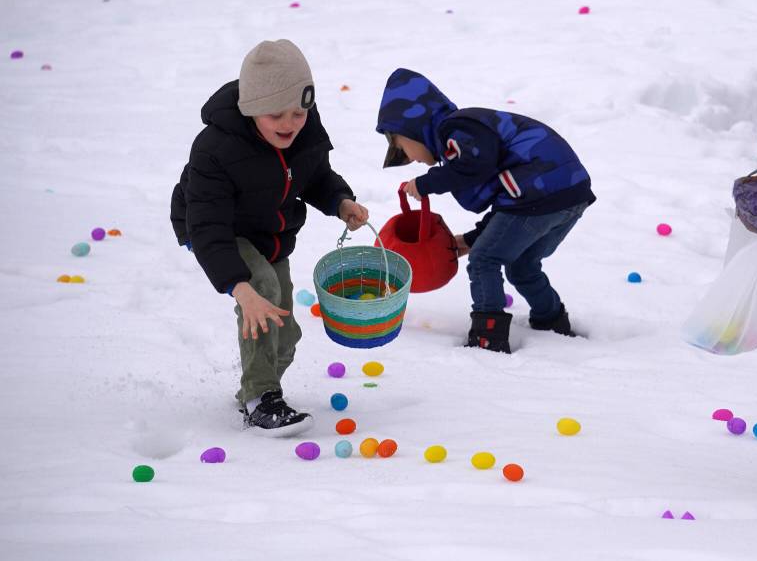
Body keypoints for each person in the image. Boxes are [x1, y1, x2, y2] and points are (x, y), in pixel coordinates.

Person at [171, 39, 369, 435]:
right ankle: (260, 398)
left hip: (268, 230)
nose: (289, 123)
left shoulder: (304, 127)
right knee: (260, 290)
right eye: (275, 114)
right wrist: (238, 287)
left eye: (298, 112)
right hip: (215, 227)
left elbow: (314, 175)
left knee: (285, 332)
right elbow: (207, 225)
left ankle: (257, 383)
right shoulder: (216, 148)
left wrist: (340, 201)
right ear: (250, 108)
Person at [375, 68, 595, 354]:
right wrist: (470, 239)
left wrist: (427, 183)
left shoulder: (456, 129)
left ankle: (487, 337)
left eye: (402, 148)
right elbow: (509, 208)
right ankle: (552, 321)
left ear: (412, 128)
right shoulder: (465, 139)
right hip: (566, 193)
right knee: (522, 264)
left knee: (483, 261)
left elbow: (473, 168)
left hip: (543, 191)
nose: (412, 160)